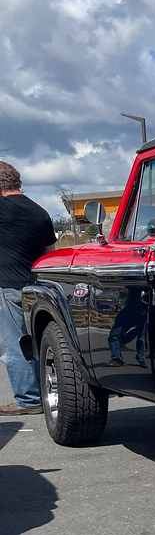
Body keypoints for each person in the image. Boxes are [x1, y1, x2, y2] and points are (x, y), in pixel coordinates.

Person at [0, 162, 57, 414]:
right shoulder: (40, 212)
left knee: (13, 345)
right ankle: (42, 392)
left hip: (7, 286)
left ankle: (28, 398)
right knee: (33, 343)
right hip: (35, 286)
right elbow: (49, 253)